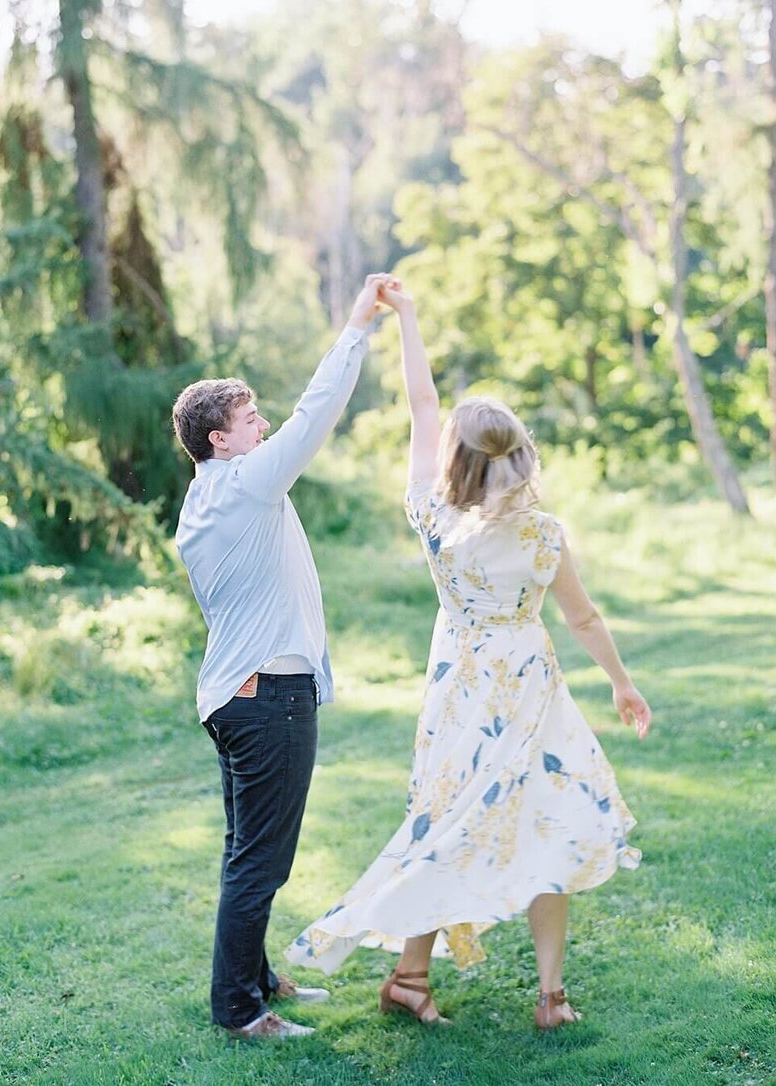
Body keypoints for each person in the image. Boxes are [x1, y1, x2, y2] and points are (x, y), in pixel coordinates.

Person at [286, 285, 652, 1029]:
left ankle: (417, 978)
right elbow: (581, 616)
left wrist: (408, 317)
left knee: (445, 822)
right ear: (519, 454)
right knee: (548, 821)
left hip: (458, 691)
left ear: (457, 462)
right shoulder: (543, 535)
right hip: (527, 689)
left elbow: (423, 407)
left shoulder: (432, 516)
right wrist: (622, 683)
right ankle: (545, 997)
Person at [172, 273, 396, 1041]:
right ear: (219, 439)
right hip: (267, 698)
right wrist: (358, 327)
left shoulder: (207, 496)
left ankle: (258, 979)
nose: (262, 424)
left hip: (238, 697)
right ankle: (239, 1012)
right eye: (248, 416)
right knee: (259, 863)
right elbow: (316, 415)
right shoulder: (243, 486)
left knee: (248, 853)